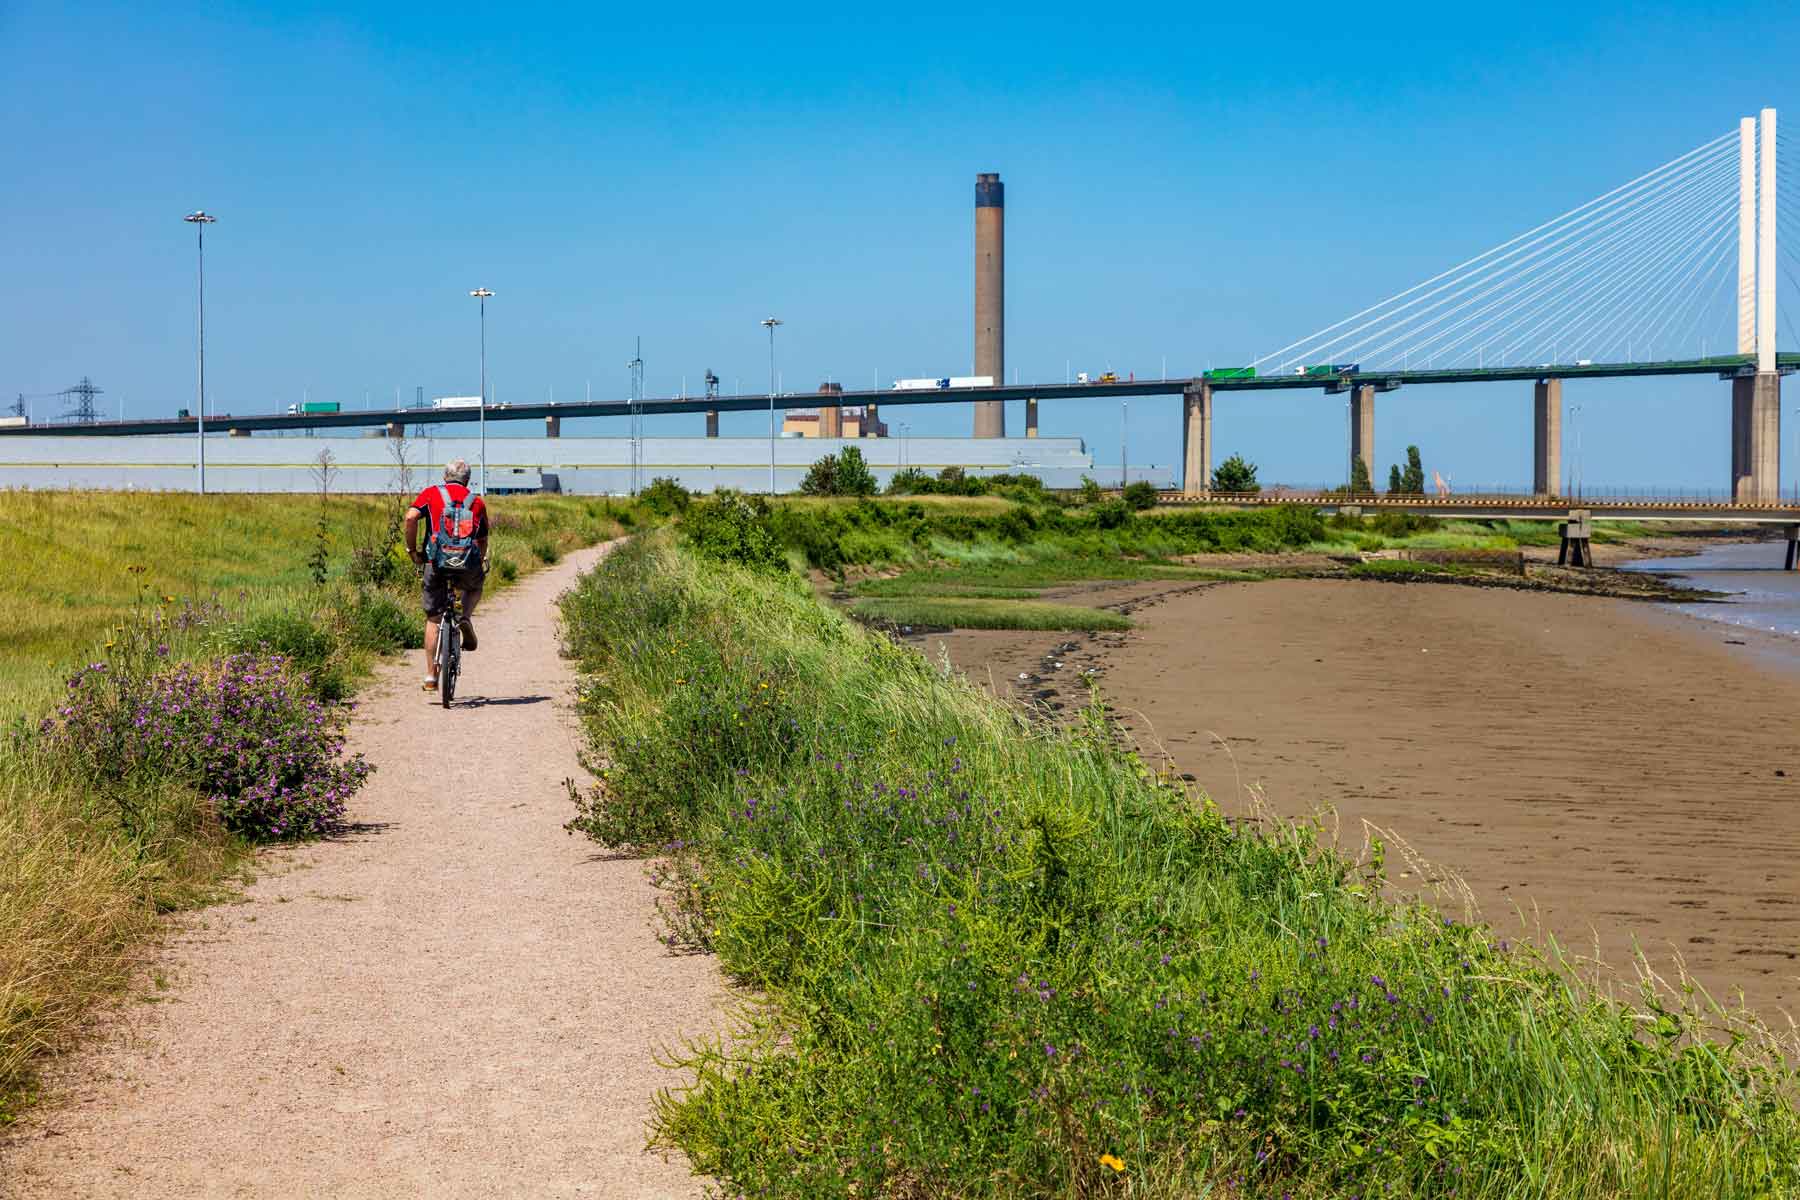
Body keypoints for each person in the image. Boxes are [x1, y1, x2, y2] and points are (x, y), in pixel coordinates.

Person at [404, 459, 489, 693]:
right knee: (475, 586)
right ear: (468, 480)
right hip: (465, 563)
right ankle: (466, 618)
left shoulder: (431, 494)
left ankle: (431, 676)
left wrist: (413, 551)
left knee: (433, 617)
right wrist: (477, 562)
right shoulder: (477, 502)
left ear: (444, 476)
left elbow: (411, 517)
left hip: (435, 562)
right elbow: (482, 540)